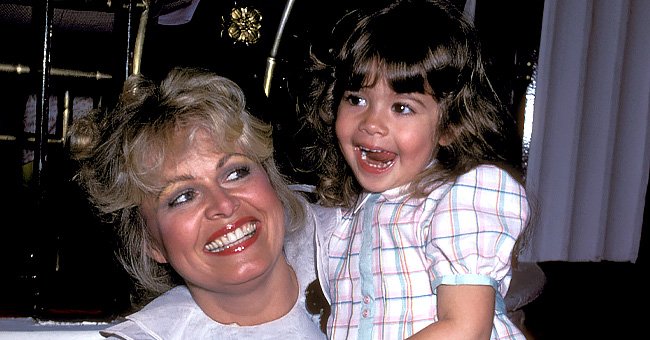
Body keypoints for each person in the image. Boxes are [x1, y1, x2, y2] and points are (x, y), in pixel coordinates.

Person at [303, 0, 531, 339]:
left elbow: (465, 329)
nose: (372, 123)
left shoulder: (460, 198)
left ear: (450, 126)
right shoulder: (345, 222)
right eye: (356, 99)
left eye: (402, 107)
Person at [69, 67, 331, 339]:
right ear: (150, 242)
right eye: (183, 197)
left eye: (235, 173)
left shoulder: (355, 241)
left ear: (271, 180)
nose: (224, 205)